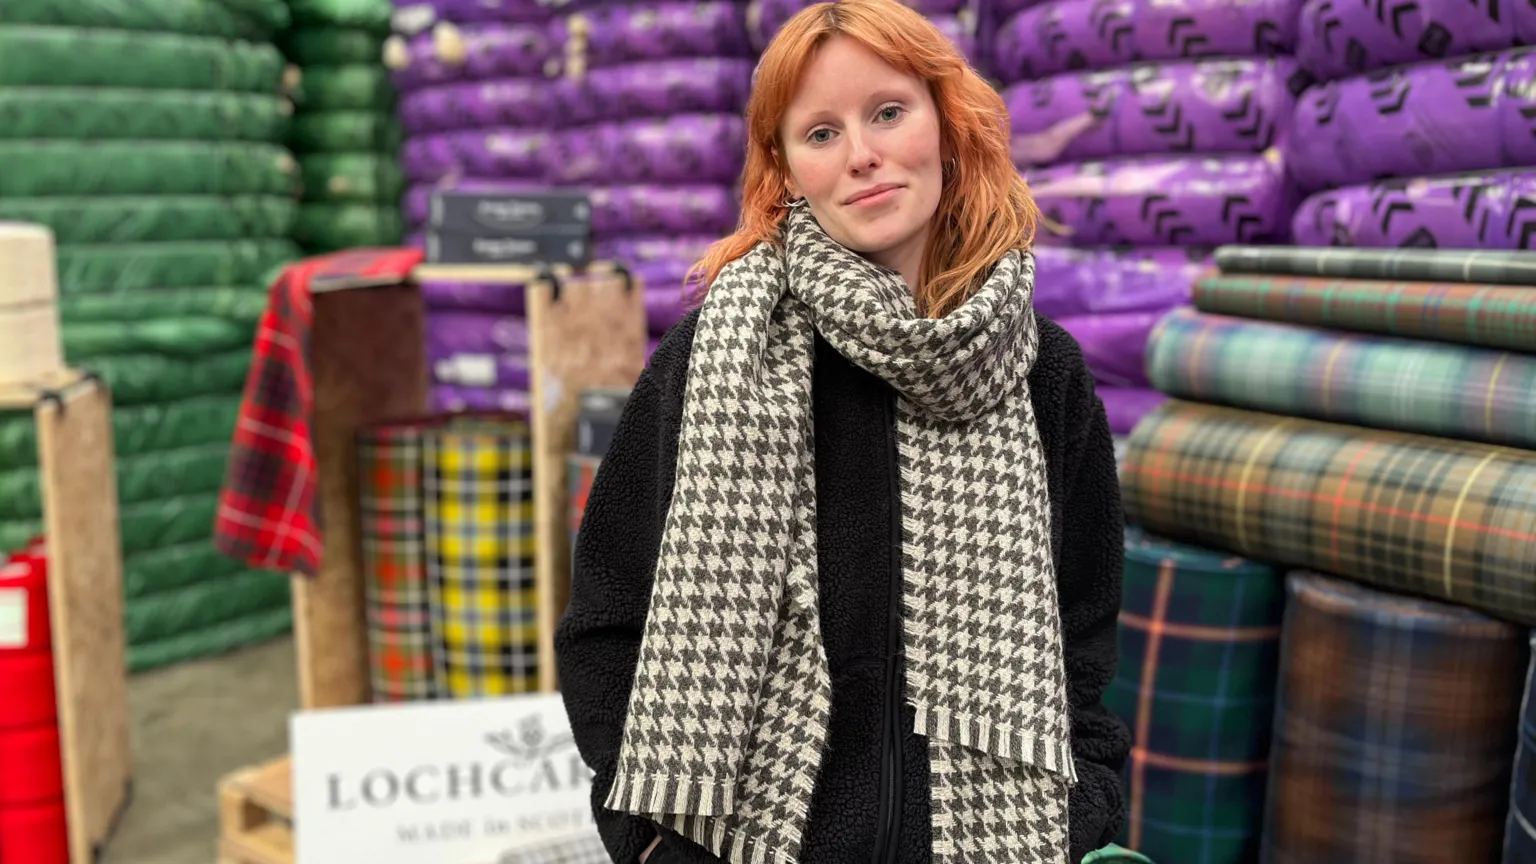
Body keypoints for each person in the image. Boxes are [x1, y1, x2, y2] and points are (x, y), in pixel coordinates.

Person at [555, 0, 1129, 861]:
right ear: (785, 168)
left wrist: (1085, 813)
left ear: (946, 123)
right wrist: (646, 839)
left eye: (888, 112)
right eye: (820, 133)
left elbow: (1082, 633)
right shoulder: (713, 361)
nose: (861, 154)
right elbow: (606, 617)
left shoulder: (1040, 371)